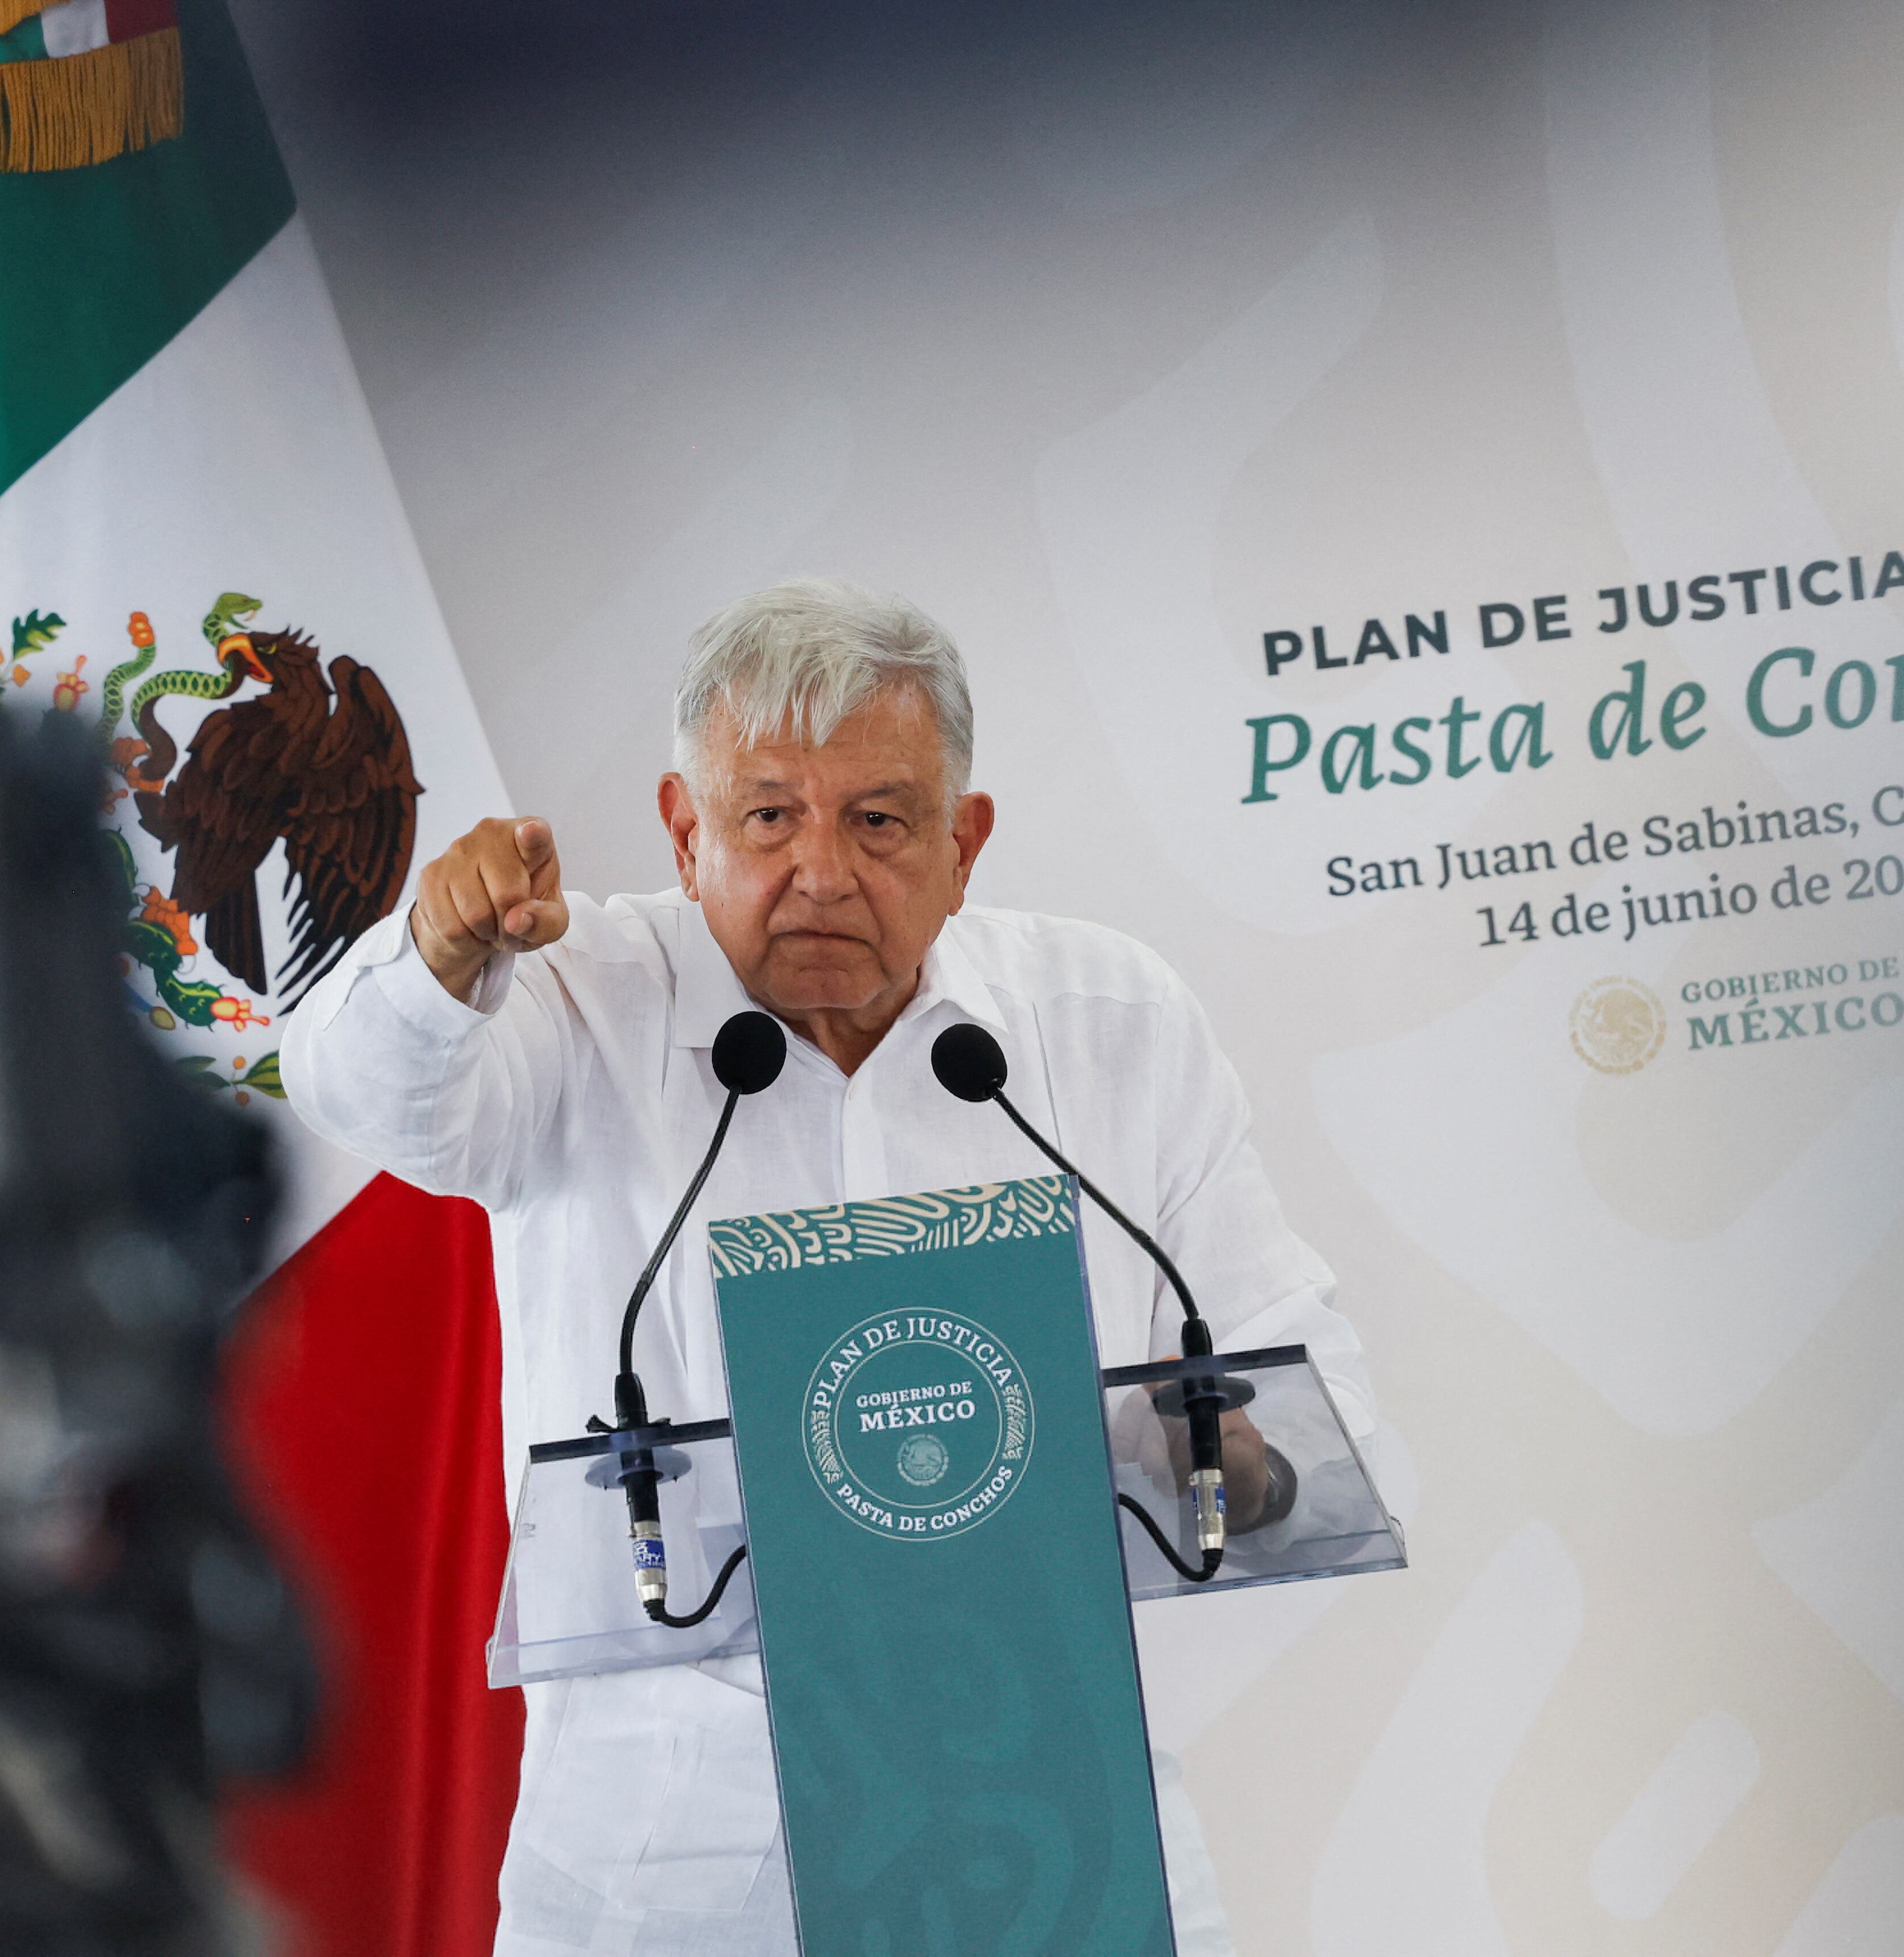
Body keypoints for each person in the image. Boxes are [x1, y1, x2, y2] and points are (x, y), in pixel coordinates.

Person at [282, 578, 1375, 1956]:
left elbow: (1293, 1370)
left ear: (965, 842)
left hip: (1047, 1813)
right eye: (767, 817)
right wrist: (438, 957)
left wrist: (1228, 1451)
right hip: (673, 1859)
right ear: (685, 834)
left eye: (878, 820)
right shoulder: (572, 1001)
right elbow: (362, 1095)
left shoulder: (1106, 1024)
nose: (822, 871)